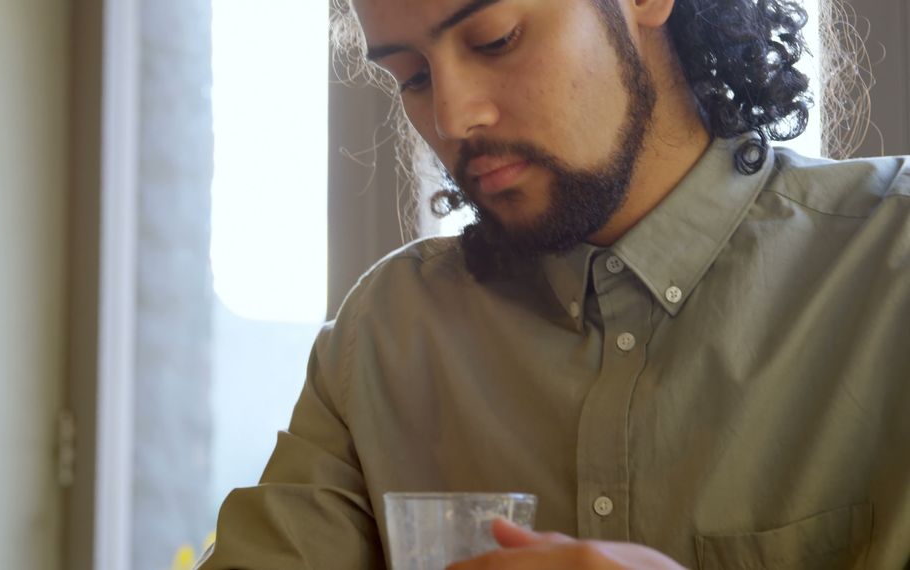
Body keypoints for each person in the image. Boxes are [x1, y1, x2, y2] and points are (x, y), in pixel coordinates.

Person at [198, 0, 910, 567]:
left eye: (496, 39)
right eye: (413, 76)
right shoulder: (383, 336)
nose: (453, 116)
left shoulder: (892, 265)